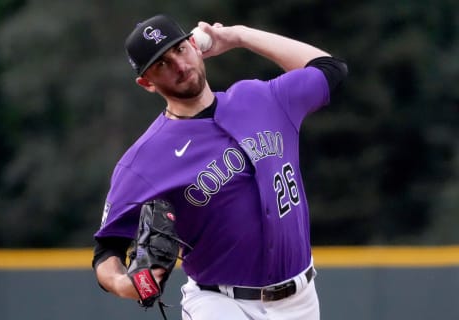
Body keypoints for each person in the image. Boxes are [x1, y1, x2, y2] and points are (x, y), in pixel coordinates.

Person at [92, 13, 347, 320]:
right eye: (162, 64)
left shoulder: (264, 99)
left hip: (301, 300)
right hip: (220, 304)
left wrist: (239, 36)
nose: (179, 66)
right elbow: (107, 249)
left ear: (194, 46)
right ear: (147, 83)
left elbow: (329, 68)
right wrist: (124, 283)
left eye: (179, 50)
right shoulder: (142, 162)